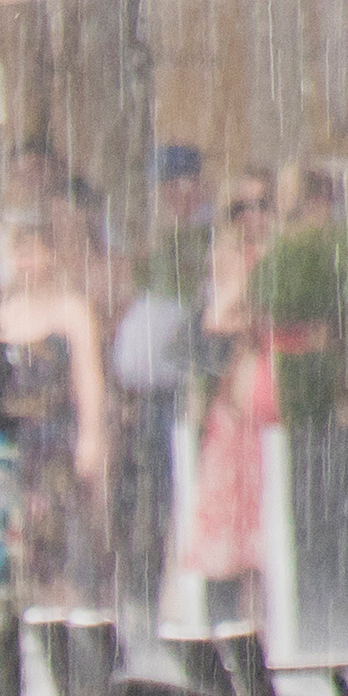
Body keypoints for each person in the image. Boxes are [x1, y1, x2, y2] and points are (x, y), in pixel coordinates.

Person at [0, 169, 113, 610]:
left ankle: (74, 608)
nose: (25, 261)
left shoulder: (71, 311)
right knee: (19, 530)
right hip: (15, 438)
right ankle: (27, 607)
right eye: (17, 250)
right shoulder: (0, 314)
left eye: (33, 249)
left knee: (66, 531)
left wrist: (92, 436)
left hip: (57, 437)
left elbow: (88, 378)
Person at [109, 147, 213, 633]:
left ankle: (163, 595)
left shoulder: (199, 241)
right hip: (145, 393)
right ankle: (143, 594)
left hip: (177, 393)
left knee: (167, 495)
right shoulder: (164, 242)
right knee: (142, 495)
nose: (166, 196)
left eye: (174, 185)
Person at [182, 166, 280, 626]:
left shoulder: (284, 263)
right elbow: (217, 326)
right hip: (232, 412)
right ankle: (221, 633)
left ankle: (266, 634)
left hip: (271, 411)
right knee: (223, 529)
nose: (253, 217)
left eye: (263, 205)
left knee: (269, 528)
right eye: (242, 208)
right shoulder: (226, 264)